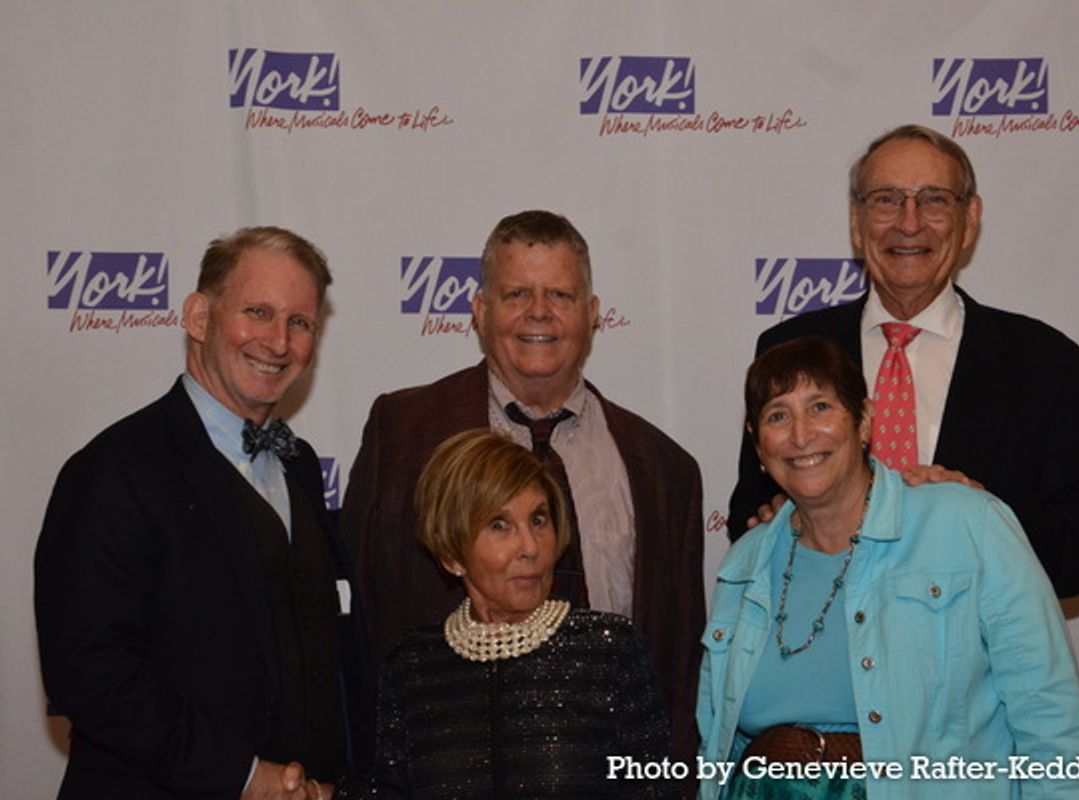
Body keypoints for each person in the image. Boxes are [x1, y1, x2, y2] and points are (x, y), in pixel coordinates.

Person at [340, 209, 704, 760]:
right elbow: (365, 623)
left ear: (592, 314)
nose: (539, 313)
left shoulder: (664, 468)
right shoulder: (402, 434)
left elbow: (679, 667)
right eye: (516, 294)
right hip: (444, 773)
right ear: (480, 311)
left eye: (559, 295)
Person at [35, 227, 371, 800]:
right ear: (198, 317)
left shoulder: (300, 466)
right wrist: (243, 777)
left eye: (301, 323)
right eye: (258, 312)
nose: (278, 341)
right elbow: (89, 674)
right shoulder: (113, 470)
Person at [729, 124, 1079, 599]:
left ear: (970, 219)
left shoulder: (1047, 364)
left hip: (977, 662)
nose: (909, 223)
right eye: (886, 200)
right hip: (823, 648)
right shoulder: (788, 348)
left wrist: (983, 520)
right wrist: (779, 522)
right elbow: (748, 513)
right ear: (857, 222)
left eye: (934, 200)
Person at [698, 337, 1079, 800]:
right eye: (778, 416)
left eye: (821, 407)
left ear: (864, 421)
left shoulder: (968, 524)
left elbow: (1052, 722)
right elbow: (718, 741)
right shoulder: (745, 564)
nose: (801, 435)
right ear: (757, 442)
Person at [338, 428, 679, 799]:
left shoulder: (609, 651)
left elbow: (655, 790)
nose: (530, 547)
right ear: (451, 555)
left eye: (538, 519)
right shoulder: (413, 665)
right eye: (499, 525)